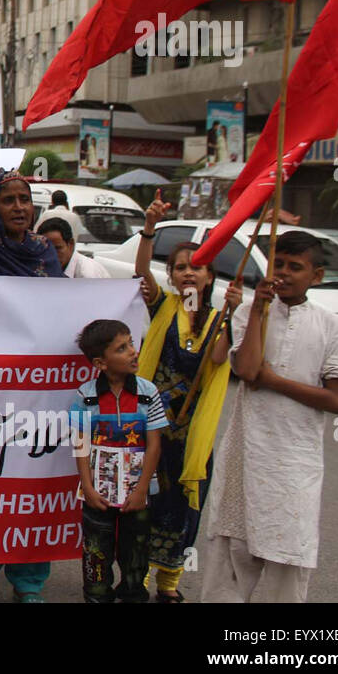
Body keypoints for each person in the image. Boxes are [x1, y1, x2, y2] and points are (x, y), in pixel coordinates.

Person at [201, 231, 338, 603]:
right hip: (247, 451)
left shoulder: (330, 325)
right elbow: (249, 371)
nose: (283, 273)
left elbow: (335, 399)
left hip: (294, 459)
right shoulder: (247, 312)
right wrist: (257, 311)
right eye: (278, 264)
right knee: (233, 554)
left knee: (288, 556)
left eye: (295, 267)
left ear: (316, 276)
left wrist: (275, 380)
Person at [0, 170, 63, 602]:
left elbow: (65, 314)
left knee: (32, 486)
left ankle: (29, 582)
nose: (20, 207)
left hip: (38, 398)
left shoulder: (44, 253)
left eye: (25, 199)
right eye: (9, 201)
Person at [133, 190, 239, 601]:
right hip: (153, 432)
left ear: (210, 277)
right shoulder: (162, 308)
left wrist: (232, 316)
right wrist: (149, 229)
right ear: (172, 276)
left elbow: (217, 357)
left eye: (197, 268)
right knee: (147, 505)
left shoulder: (217, 320)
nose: (188, 274)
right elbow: (142, 273)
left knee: (182, 510)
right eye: (180, 268)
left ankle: (170, 585)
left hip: (191, 437)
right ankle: (137, 579)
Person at [70, 320, 165, 603]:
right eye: (122, 348)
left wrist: (141, 490)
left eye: (131, 343)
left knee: (135, 557)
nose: (133, 352)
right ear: (101, 362)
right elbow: (81, 443)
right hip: (97, 494)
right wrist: (87, 488)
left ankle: (133, 594)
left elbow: (155, 444)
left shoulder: (148, 393)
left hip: (137, 496)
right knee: (96, 557)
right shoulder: (86, 396)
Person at [39, 217, 109, 279]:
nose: (52, 255)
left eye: (57, 248)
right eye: (46, 249)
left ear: (71, 244)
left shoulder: (87, 275)